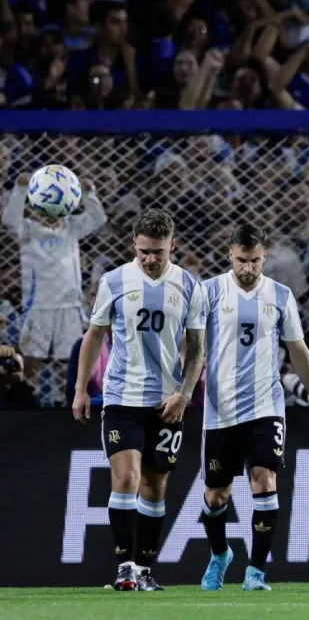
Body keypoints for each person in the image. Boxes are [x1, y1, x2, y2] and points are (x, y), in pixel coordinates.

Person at [72, 209, 206, 592]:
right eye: (145, 251)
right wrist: (82, 388)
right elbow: (93, 336)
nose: (150, 259)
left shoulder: (190, 286)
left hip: (167, 402)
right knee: (126, 477)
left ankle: (146, 569)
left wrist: (184, 394)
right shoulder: (114, 282)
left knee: (155, 486)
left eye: (158, 252)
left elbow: (197, 349)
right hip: (121, 398)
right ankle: (124, 568)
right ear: (134, 244)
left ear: (172, 246)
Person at [198, 224, 309, 592]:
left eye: (255, 261)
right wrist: (183, 390)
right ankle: (219, 554)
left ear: (264, 257)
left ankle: (256, 571)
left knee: (265, 479)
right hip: (220, 410)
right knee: (216, 495)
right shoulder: (209, 292)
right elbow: (193, 348)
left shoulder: (280, 295)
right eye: (242, 261)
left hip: (265, 406)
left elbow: (298, 350)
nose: (248, 268)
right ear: (230, 255)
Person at [2, 170, 106, 396]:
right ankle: (33, 402)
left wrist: (89, 194)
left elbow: (98, 219)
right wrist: (19, 190)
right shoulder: (28, 228)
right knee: (32, 362)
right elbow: (9, 221)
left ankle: (67, 402)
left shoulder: (71, 227)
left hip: (69, 306)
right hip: (38, 307)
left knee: (71, 361)